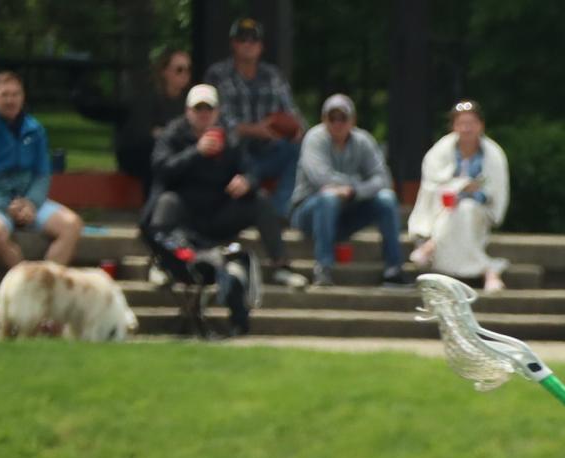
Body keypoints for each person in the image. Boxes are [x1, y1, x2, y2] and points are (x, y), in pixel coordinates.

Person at [144, 83, 303, 296]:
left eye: (208, 109)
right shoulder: (172, 135)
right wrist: (196, 151)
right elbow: (161, 170)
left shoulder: (230, 137)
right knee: (166, 202)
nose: (203, 114)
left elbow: (252, 170)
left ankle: (281, 266)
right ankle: (161, 263)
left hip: (220, 213)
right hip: (186, 215)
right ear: (188, 111)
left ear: (217, 112)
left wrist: (247, 181)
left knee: (261, 201)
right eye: (198, 109)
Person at [0, 72, 83, 272]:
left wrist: (31, 203)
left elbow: (42, 174)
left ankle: (45, 282)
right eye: (5, 95)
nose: (11, 100)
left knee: (72, 225)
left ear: (23, 97)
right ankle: (24, 280)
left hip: (28, 202)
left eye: (15, 94)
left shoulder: (35, 130)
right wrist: (6, 206)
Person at [290, 94, 405, 288]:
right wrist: (357, 185)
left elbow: (383, 179)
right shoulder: (314, 138)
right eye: (332, 118)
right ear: (324, 119)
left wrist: (353, 190)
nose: (337, 123)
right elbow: (321, 178)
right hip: (308, 213)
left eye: (342, 118)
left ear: (352, 120)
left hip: (347, 212)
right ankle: (323, 268)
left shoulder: (363, 140)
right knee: (328, 198)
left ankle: (393, 270)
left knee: (387, 199)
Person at [203, 18, 304, 216]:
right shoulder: (217, 74)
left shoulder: (274, 75)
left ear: (261, 46)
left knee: (298, 148)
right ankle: (248, 192)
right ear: (233, 44)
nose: (248, 44)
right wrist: (254, 130)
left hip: (269, 151)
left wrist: (296, 129)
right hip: (234, 152)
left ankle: (280, 212)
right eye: (242, 39)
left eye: (254, 39)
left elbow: (293, 112)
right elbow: (213, 119)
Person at [409, 100, 511, 293]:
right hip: (442, 210)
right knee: (455, 211)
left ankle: (433, 245)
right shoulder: (439, 151)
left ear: (481, 125)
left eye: (471, 123)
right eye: (462, 123)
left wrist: (471, 193)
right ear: (453, 126)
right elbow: (432, 187)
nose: (466, 128)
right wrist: (458, 189)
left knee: (466, 209)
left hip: (478, 211)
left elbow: (496, 191)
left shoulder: (493, 155)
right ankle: (488, 271)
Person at [116, 48, 192, 197]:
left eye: (188, 69)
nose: (185, 74)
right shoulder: (149, 98)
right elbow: (144, 133)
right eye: (179, 69)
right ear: (165, 72)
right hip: (138, 154)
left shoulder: (188, 102)